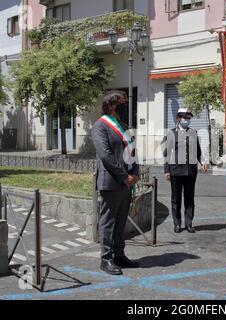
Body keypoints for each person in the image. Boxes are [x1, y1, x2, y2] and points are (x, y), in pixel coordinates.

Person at [91, 90, 140, 275]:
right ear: (110, 105)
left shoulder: (123, 125)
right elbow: (106, 155)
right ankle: (106, 258)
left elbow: (133, 151)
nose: (125, 106)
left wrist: (134, 173)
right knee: (108, 222)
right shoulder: (100, 126)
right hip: (112, 182)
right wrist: (123, 176)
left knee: (120, 223)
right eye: (121, 102)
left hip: (126, 183)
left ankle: (119, 255)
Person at [163, 108, 209, 233]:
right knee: (176, 199)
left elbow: (198, 152)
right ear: (178, 118)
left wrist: (203, 161)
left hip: (190, 171)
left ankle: (189, 223)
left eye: (189, 118)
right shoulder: (171, 133)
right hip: (176, 171)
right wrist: (167, 170)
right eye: (185, 117)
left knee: (189, 198)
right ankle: (177, 223)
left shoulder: (193, 132)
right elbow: (166, 153)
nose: (187, 120)